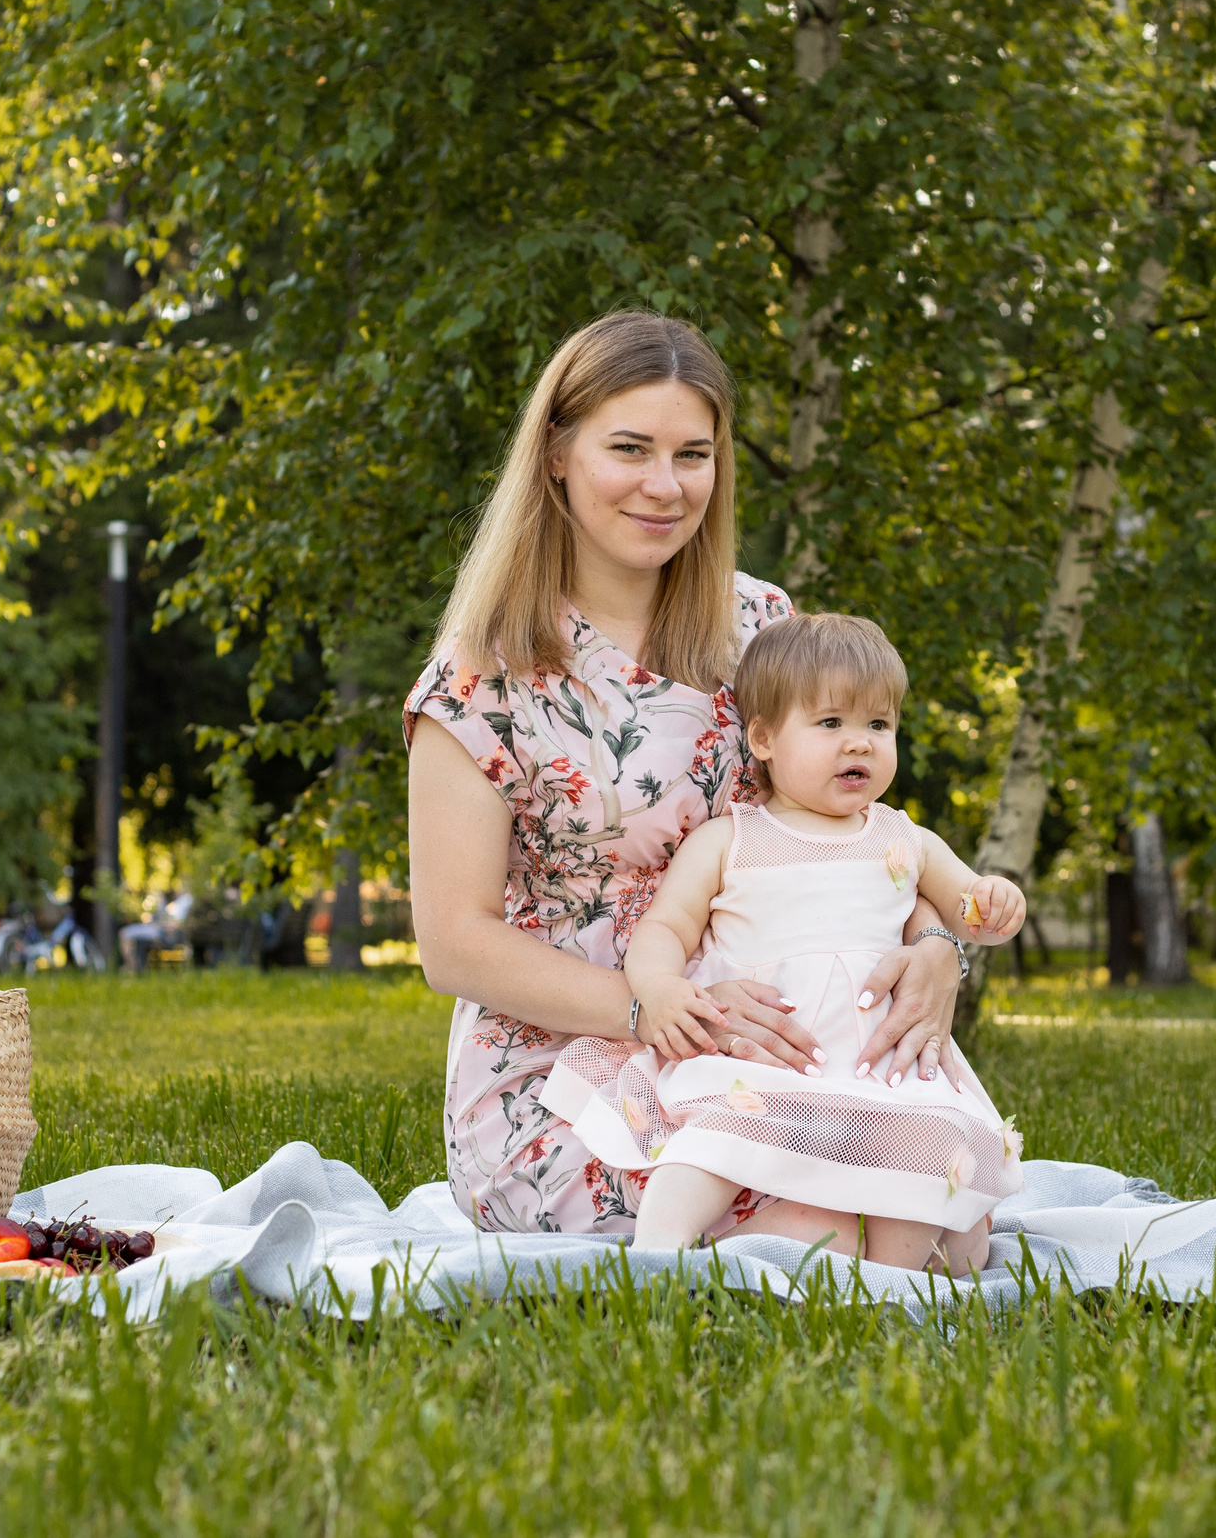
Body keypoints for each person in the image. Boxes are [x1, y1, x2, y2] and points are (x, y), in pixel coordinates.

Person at [406, 311, 966, 1244]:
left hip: (777, 1056)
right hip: (563, 1070)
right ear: (555, 454)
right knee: (808, 1211)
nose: (664, 486)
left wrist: (940, 946)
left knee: (937, 1203)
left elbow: (849, 823)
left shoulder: (763, 626)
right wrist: (654, 1004)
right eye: (629, 448)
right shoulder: (481, 675)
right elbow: (453, 944)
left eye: (692, 454)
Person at [542, 613, 1027, 1271]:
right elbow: (665, 928)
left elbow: (964, 908)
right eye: (831, 723)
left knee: (935, 1158)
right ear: (765, 738)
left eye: (878, 726)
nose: (859, 743)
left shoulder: (902, 838)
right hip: (767, 1063)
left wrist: (993, 900)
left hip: (879, 1073)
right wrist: (659, 988)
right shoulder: (731, 839)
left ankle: (896, 1278)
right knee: (712, 1142)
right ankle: (659, 1256)